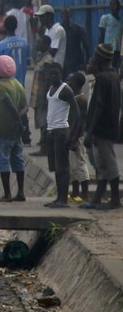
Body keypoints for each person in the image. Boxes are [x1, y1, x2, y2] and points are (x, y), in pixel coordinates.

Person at [82, 44, 121, 209]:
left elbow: (98, 105)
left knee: (109, 163)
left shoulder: (103, 79)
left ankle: (115, 199)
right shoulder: (114, 75)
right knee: (102, 165)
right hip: (110, 125)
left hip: (101, 128)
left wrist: (90, 131)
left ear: (100, 58)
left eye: (95, 56)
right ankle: (97, 198)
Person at [44, 65, 80, 207]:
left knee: (63, 167)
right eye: (51, 73)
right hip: (51, 131)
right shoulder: (51, 89)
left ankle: (63, 199)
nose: (53, 76)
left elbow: (76, 113)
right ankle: (59, 197)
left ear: (61, 74)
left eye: (56, 73)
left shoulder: (65, 90)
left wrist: (73, 136)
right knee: (56, 168)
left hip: (61, 131)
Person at [0, 55, 27, 202]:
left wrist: (16, 120)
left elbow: (9, 104)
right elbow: (25, 107)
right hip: (16, 132)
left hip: (4, 128)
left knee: (3, 160)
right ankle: (20, 192)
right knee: (18, 160)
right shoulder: (19, 84)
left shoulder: (0, 86)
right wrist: (20, 121)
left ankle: (7, 194)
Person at [67, 72, 92, 203]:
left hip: (78, 136)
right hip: (73, 135)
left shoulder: (81, 100)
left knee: (81, 163)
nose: (69, 83)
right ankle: (75, 192)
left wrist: (75, 139)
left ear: (76, 84)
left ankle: (85, 193)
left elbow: (80, 122)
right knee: (73, 165)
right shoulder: (75, 98)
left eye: (71, 82)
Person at [0, 15, 31, 86]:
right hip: (21, 83)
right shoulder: (25, 43)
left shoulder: (1, 45)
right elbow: (28, 61)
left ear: (5, 27)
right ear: (16, 26)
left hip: (6, 84)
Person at [60, 8, 90, 78]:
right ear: (61, 16)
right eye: (63, 15)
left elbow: (86, 44)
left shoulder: (77, 28)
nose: (65, 17)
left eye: (67, 14)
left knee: (72, 80)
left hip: (74, 60)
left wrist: (87, 60)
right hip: (62, 60)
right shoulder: (59, 29)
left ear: (70, 16)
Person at [35, 4, 66, 69]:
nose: (40, 19)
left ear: (50, 16)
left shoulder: (58, 30)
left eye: (42, 16)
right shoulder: (47, 30)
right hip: (48, 66)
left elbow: (53, 51)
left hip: (56, 67)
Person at [98, 0, 122, 68]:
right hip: (108, 49)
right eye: (113, 5)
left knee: (117, 68)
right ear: (110, 7)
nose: (115, 7)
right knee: (108, 67)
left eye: (117, 5)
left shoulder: (121, 21)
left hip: (118, 50)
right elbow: (101, 35)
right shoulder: (105, 18)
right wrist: (99, 49)